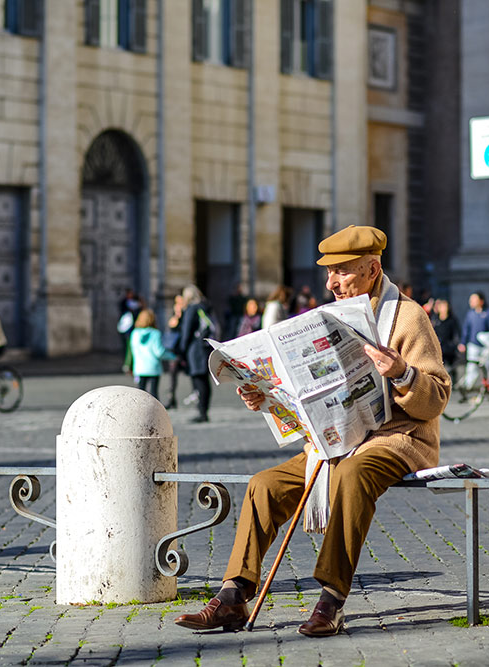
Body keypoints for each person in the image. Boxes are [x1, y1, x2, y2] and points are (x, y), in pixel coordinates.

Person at [173, 225, 450, 637]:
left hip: (397, 439)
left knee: (352, 476)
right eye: (328, 273)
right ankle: (234, 595)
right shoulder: (328, 318)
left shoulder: (407, 316)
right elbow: (312, 396)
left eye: (342, 271)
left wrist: (402, 373)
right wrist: (266, 398)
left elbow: (437, 396)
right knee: (263, 485)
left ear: (372, 269)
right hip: (334, 440)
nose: (331, 282)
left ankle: (331, 599)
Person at [173, 285, 216, 423]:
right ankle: (204, 410)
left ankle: (202, 412)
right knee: (204, 380)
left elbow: (186, 331)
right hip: (205, 347)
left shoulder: (192, 309)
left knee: (198, 379)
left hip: (195, 349)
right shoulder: (205, 306)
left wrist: (182, 349)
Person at [129, 309, 175, 399]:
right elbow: (159, 352)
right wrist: (172, 356)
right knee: (154, 393)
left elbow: (133, 350)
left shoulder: (135, 333)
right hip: (153, 367)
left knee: (140, 393)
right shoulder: (155, 333)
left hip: (139, 367)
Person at [458, 292, 489, 391]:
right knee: (471, 367)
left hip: (485, 346)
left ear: (481, 301)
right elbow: (466, 329)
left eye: (474, 299)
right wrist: (463, 342)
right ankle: (467, 388)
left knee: (488, 367)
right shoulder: (470, 314)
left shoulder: (488, 313)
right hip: (473, 345)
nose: (471, 302)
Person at [162, 295, 186, 409]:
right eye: (177, 302)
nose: (178, 305)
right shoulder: (175, 316)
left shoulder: (189, 313)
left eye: (180, 302)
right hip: (175, 350)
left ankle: (197, 397)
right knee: (172, 374)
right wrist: (177, 315)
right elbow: (172, 326)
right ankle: (171, 398)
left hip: (185, 349)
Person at [431, 298, 462, 371]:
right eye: (441, 307)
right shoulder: (435, 320)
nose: (443, 309)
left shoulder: (452, 320)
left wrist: (455, 344)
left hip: (450, 349)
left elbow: (456, 333)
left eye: (445, 306)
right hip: (439, 349)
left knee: (452, 369)